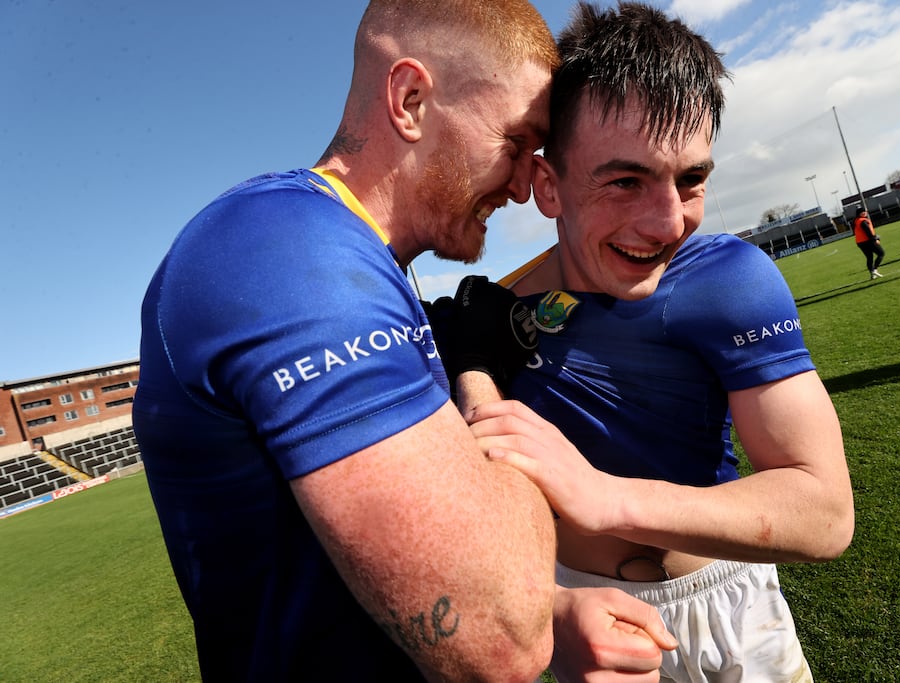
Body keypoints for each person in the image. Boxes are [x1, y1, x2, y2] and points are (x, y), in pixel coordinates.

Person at [131, 2, 676, 679]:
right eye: (515, 143)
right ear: (411, 99)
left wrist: (557, 611)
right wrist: (478, 372)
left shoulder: (360, 262)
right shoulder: (287, 252)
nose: (519, 184)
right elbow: (497, 638)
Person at [447, 3, 855, 681]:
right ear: (550, 187)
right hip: (584, 624)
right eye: (625, 180)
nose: (668, 222)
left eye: (691, 178)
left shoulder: (730, 280)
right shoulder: (494, 314)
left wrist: (606, 494)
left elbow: (824, 511)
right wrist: (550, 609)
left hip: (731, 612)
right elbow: (462, 513)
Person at [852, 206, 884, 279]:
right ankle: (875, 269)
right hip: (867, 241)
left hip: (860, 242)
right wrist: (875, 239)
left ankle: (872, 274)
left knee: (869, 257)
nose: (866, 212)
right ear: (861, 213)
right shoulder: (863, 221)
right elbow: (868, 232)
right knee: (881, 253)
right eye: (864, 211)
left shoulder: (856, 220)